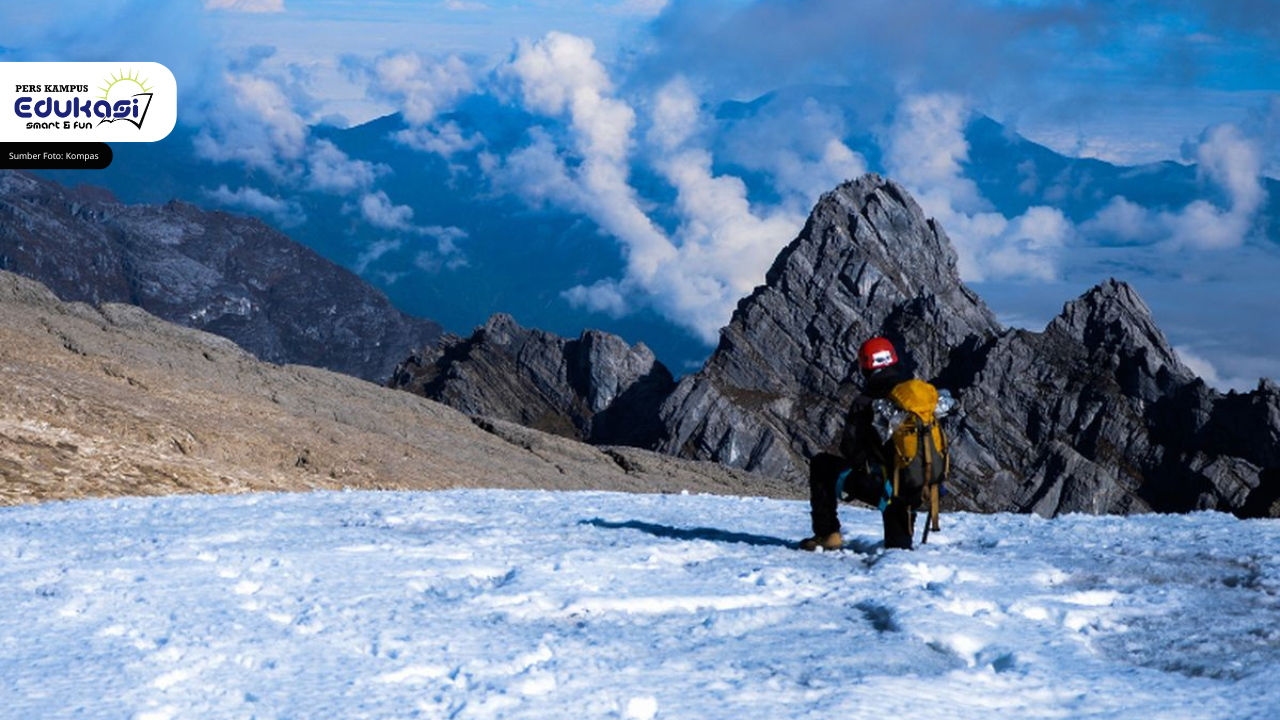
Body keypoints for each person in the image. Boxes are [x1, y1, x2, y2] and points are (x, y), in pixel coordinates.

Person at [799, 336, 921, 551]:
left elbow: (850, 450)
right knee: (899, 550)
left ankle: (827, 534)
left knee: (821, 464)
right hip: (917, 487)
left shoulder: (866, 401)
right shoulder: (914, 398)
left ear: (865, 365)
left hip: (883, 487)